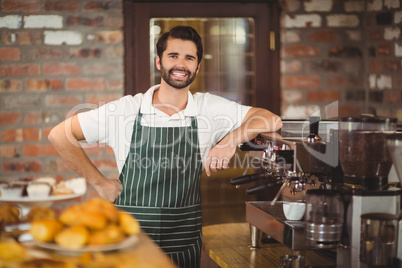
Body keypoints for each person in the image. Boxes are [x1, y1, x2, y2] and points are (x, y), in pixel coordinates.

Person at [48, 26, 282, 268]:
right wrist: (99, 182)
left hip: (184, 244)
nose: (181, 64)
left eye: (189, 58)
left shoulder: (209, 108)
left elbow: (271, 119)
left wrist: (229, 140)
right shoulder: (126, 110)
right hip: (130, 244)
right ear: (159, 62)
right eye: (173, 56)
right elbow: (60, 135)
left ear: (197, 67)